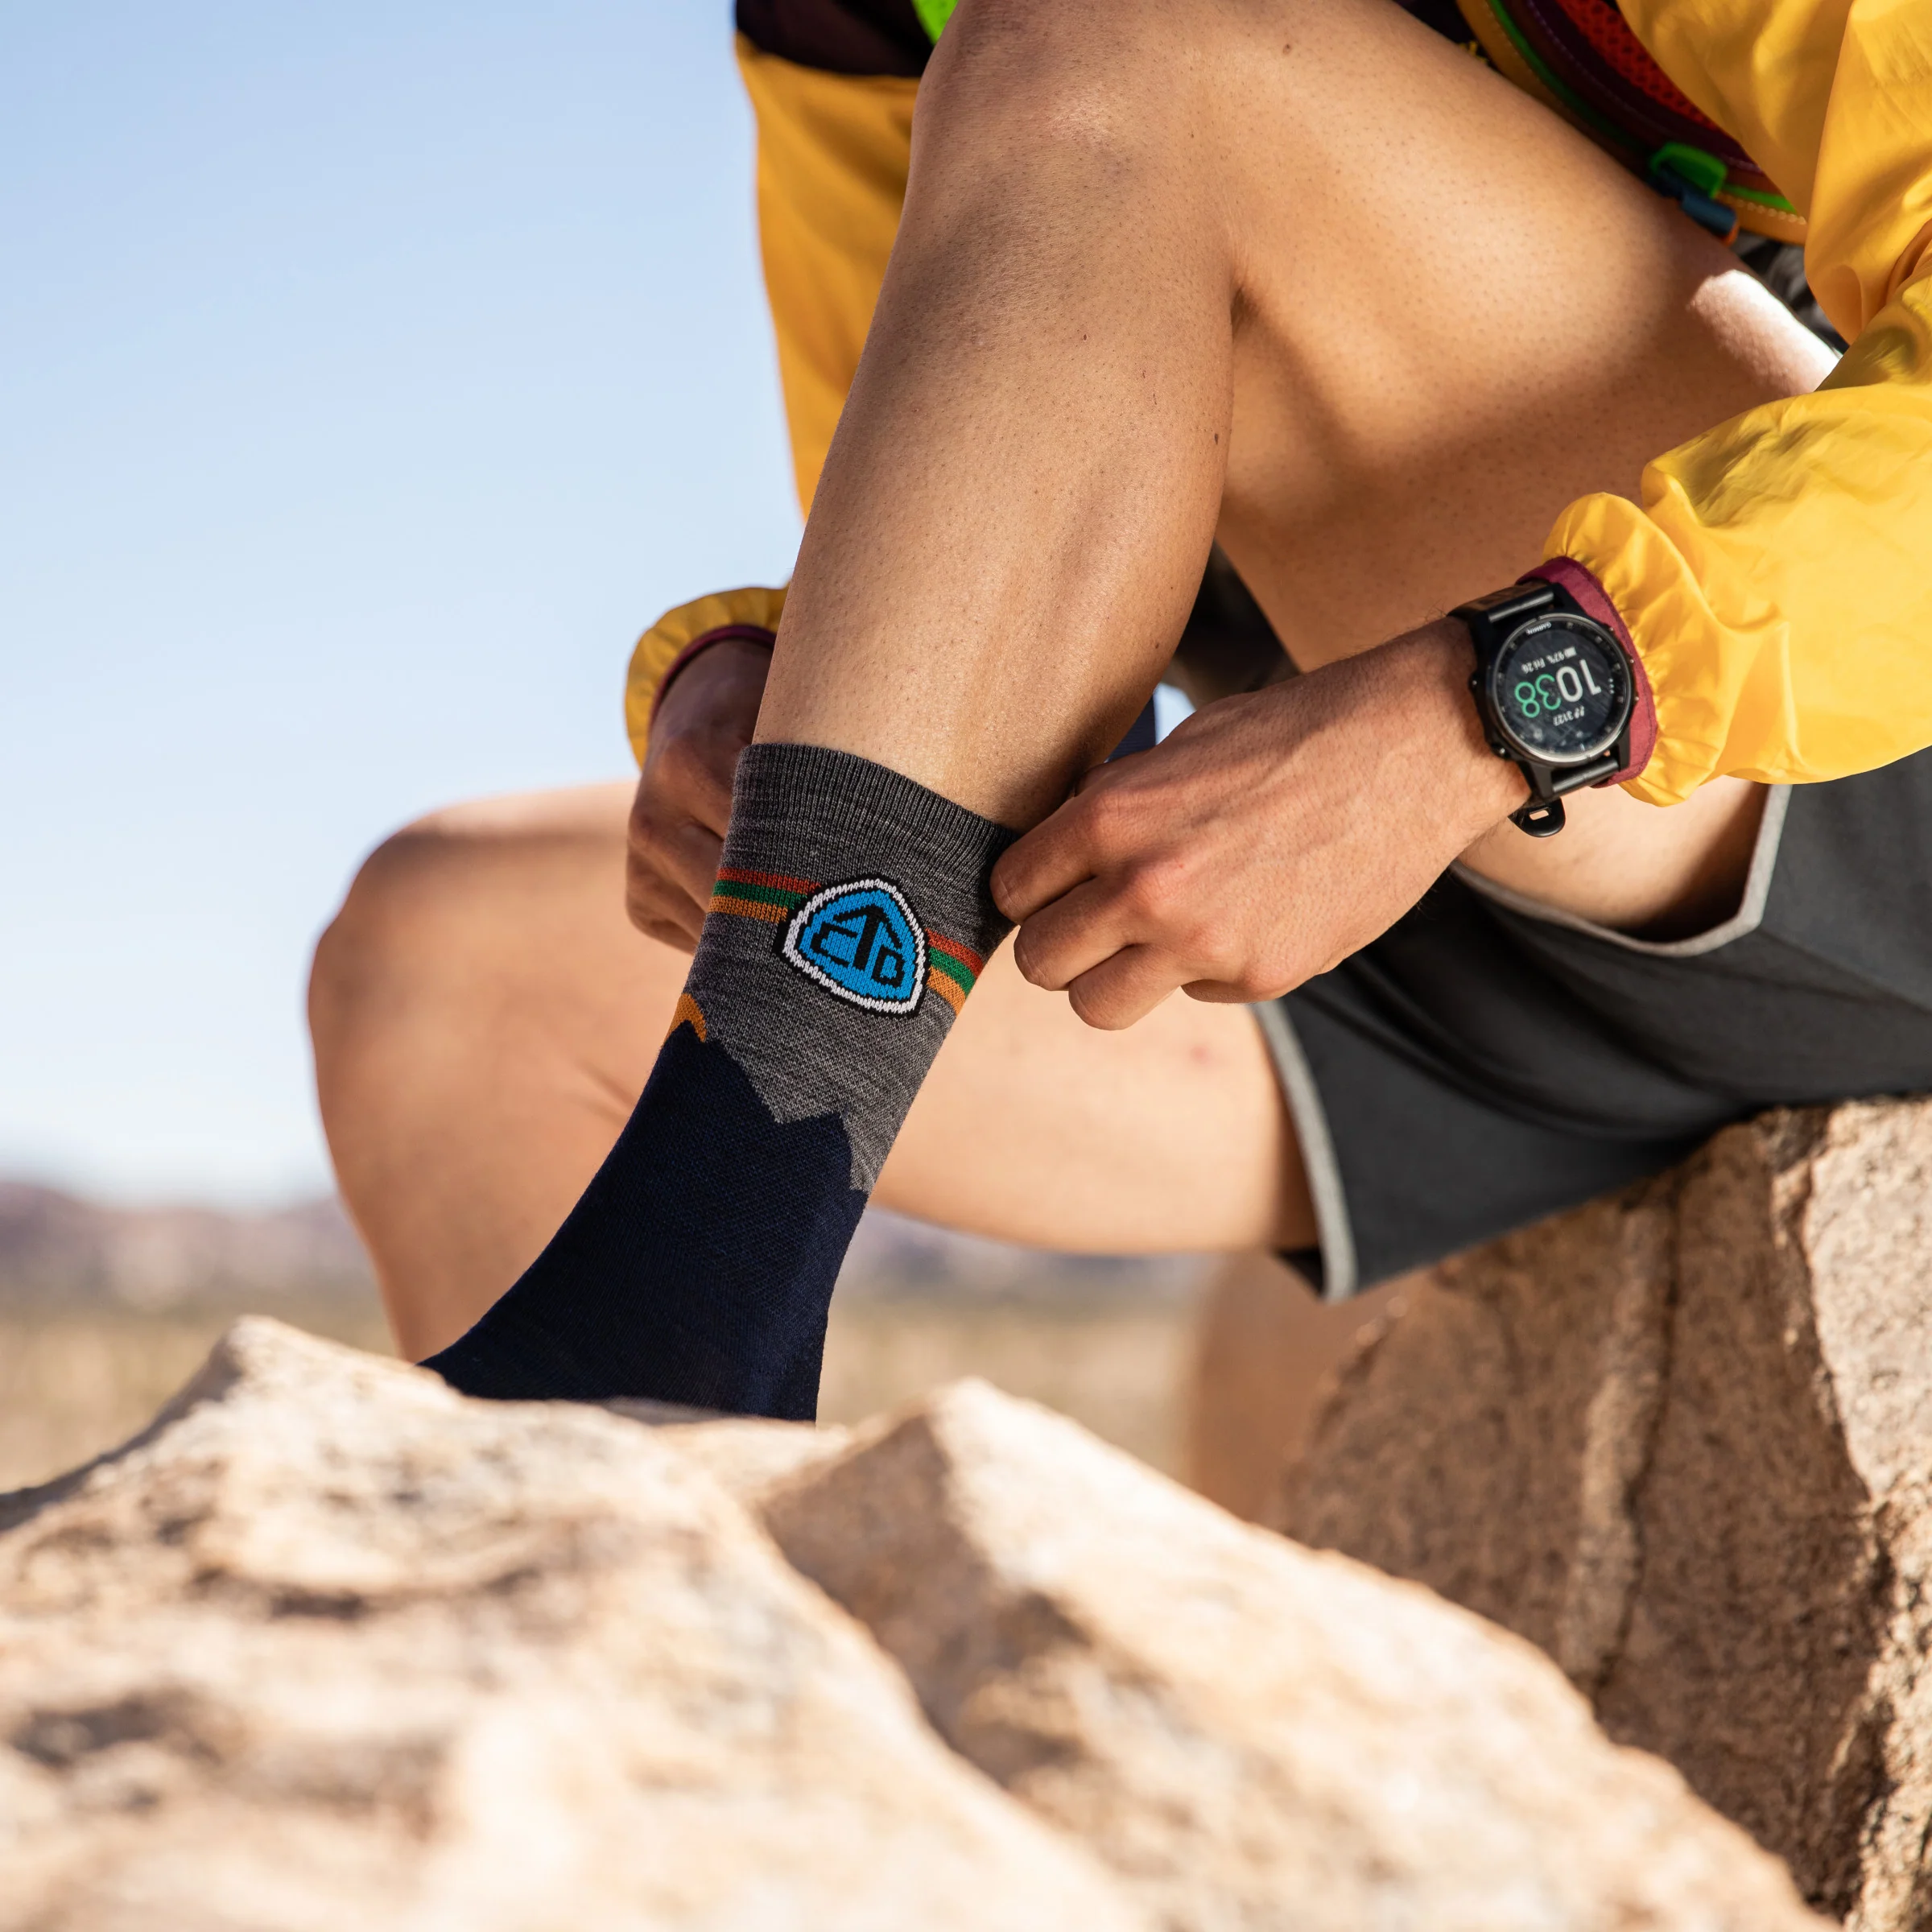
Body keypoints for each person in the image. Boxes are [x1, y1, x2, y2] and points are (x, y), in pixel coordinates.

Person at [310, 0, 1932, 1414]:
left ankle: (677, 1323)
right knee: (438, 963)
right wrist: (757, 691)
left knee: (1136, 35)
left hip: (1808, 803)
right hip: (1390, 978)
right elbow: (981, 522)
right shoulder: (849, 22)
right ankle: (655, 1551)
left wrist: (1486, 711)